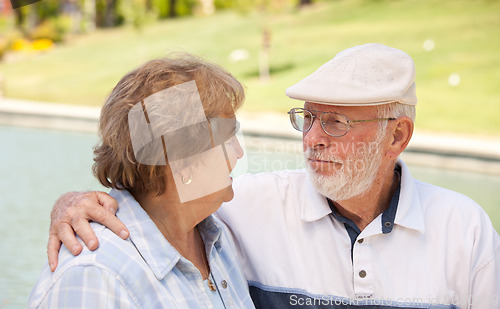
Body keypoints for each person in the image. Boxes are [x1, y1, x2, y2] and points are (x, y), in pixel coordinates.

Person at [46, 44, 500, 308]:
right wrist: (74, 203)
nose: (312, 139)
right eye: (308, 118)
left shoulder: (466, 231)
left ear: (397, 136)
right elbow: (145, 177)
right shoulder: (238, 210)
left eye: (336, 123)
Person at [29, 54, 256, 308]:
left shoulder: (216, 238)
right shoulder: (94, 276)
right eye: (228, 137)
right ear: (182, 162)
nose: (239, 152)